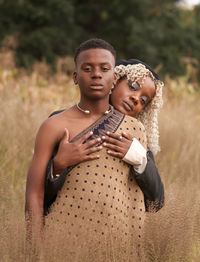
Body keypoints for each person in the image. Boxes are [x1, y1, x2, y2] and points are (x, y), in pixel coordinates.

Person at [26, 38, 148, 262]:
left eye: (104, 68)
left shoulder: (135, 130)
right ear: (75, 77)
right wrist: (36, 254)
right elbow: (34, 194)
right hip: (63, 242)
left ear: (114, 78)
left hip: (115, 245)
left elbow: (137, 197)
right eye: (87, 68)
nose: (96, 74)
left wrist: (135, 253)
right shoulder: (53, 126)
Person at [45, 59, 164, 214]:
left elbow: (156, 202)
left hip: (111, 233)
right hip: (62, 225)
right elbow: (38, 191)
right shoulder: (62, 121)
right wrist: (59, 164)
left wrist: (140, 160)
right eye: (132, 86)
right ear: (114, 80)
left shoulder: (136, 143)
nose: (136, 98)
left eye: (143, 100)